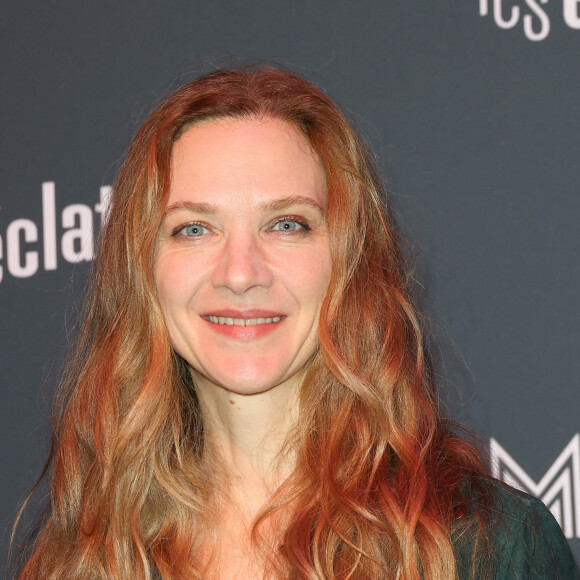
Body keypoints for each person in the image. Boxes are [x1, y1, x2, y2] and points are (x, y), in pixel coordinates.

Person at [13, 66, 579, 579]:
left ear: (349, 260)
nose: (240, 273)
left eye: (286, 224)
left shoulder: (486, 546)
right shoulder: (88, 556)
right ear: (143, 271)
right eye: (193, 228)